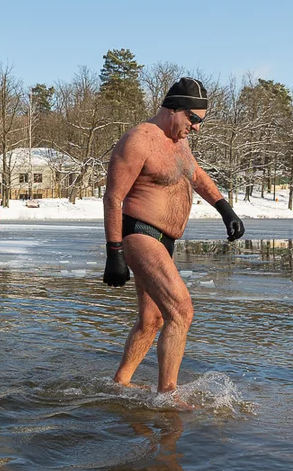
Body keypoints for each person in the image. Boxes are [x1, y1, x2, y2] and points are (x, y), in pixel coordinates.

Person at [102, 77, 245, 394]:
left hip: (165, 241)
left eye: (199, 122)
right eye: (193, 119)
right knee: (181, 312)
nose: (196, 128)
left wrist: (225, 208)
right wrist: (114, 253)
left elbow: (195, 175)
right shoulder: (139, 140)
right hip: (140, 234)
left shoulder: (179, 142)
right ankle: (167, 393)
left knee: (151, 320)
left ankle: (120, 384)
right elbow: (113, 197)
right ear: (174, 109)